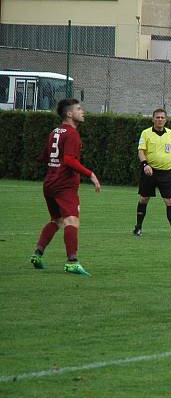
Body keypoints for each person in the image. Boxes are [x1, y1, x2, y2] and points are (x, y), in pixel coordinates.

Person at [30, 98, 101, 276]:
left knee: (57, 220)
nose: (82, 111)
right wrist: (90, 174)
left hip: (50, 183)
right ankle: (72, 261)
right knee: (72, 221)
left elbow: (45, 156)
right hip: (64, 186)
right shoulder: (71, 134)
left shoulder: (55, 132)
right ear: (69, 114)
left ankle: (38, 254)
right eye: (79, 109)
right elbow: (69, 160)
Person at [133, 108, 171, 238]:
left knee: (170, 201)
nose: (160, 120)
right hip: (150, 172)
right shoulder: (146, 133)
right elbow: (141, 151)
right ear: (153, 119)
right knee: (144, 199)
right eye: (157, 117)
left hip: (167, 172)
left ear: (166, 120)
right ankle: (138, 227)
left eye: (162, 117)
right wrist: (145, 165)